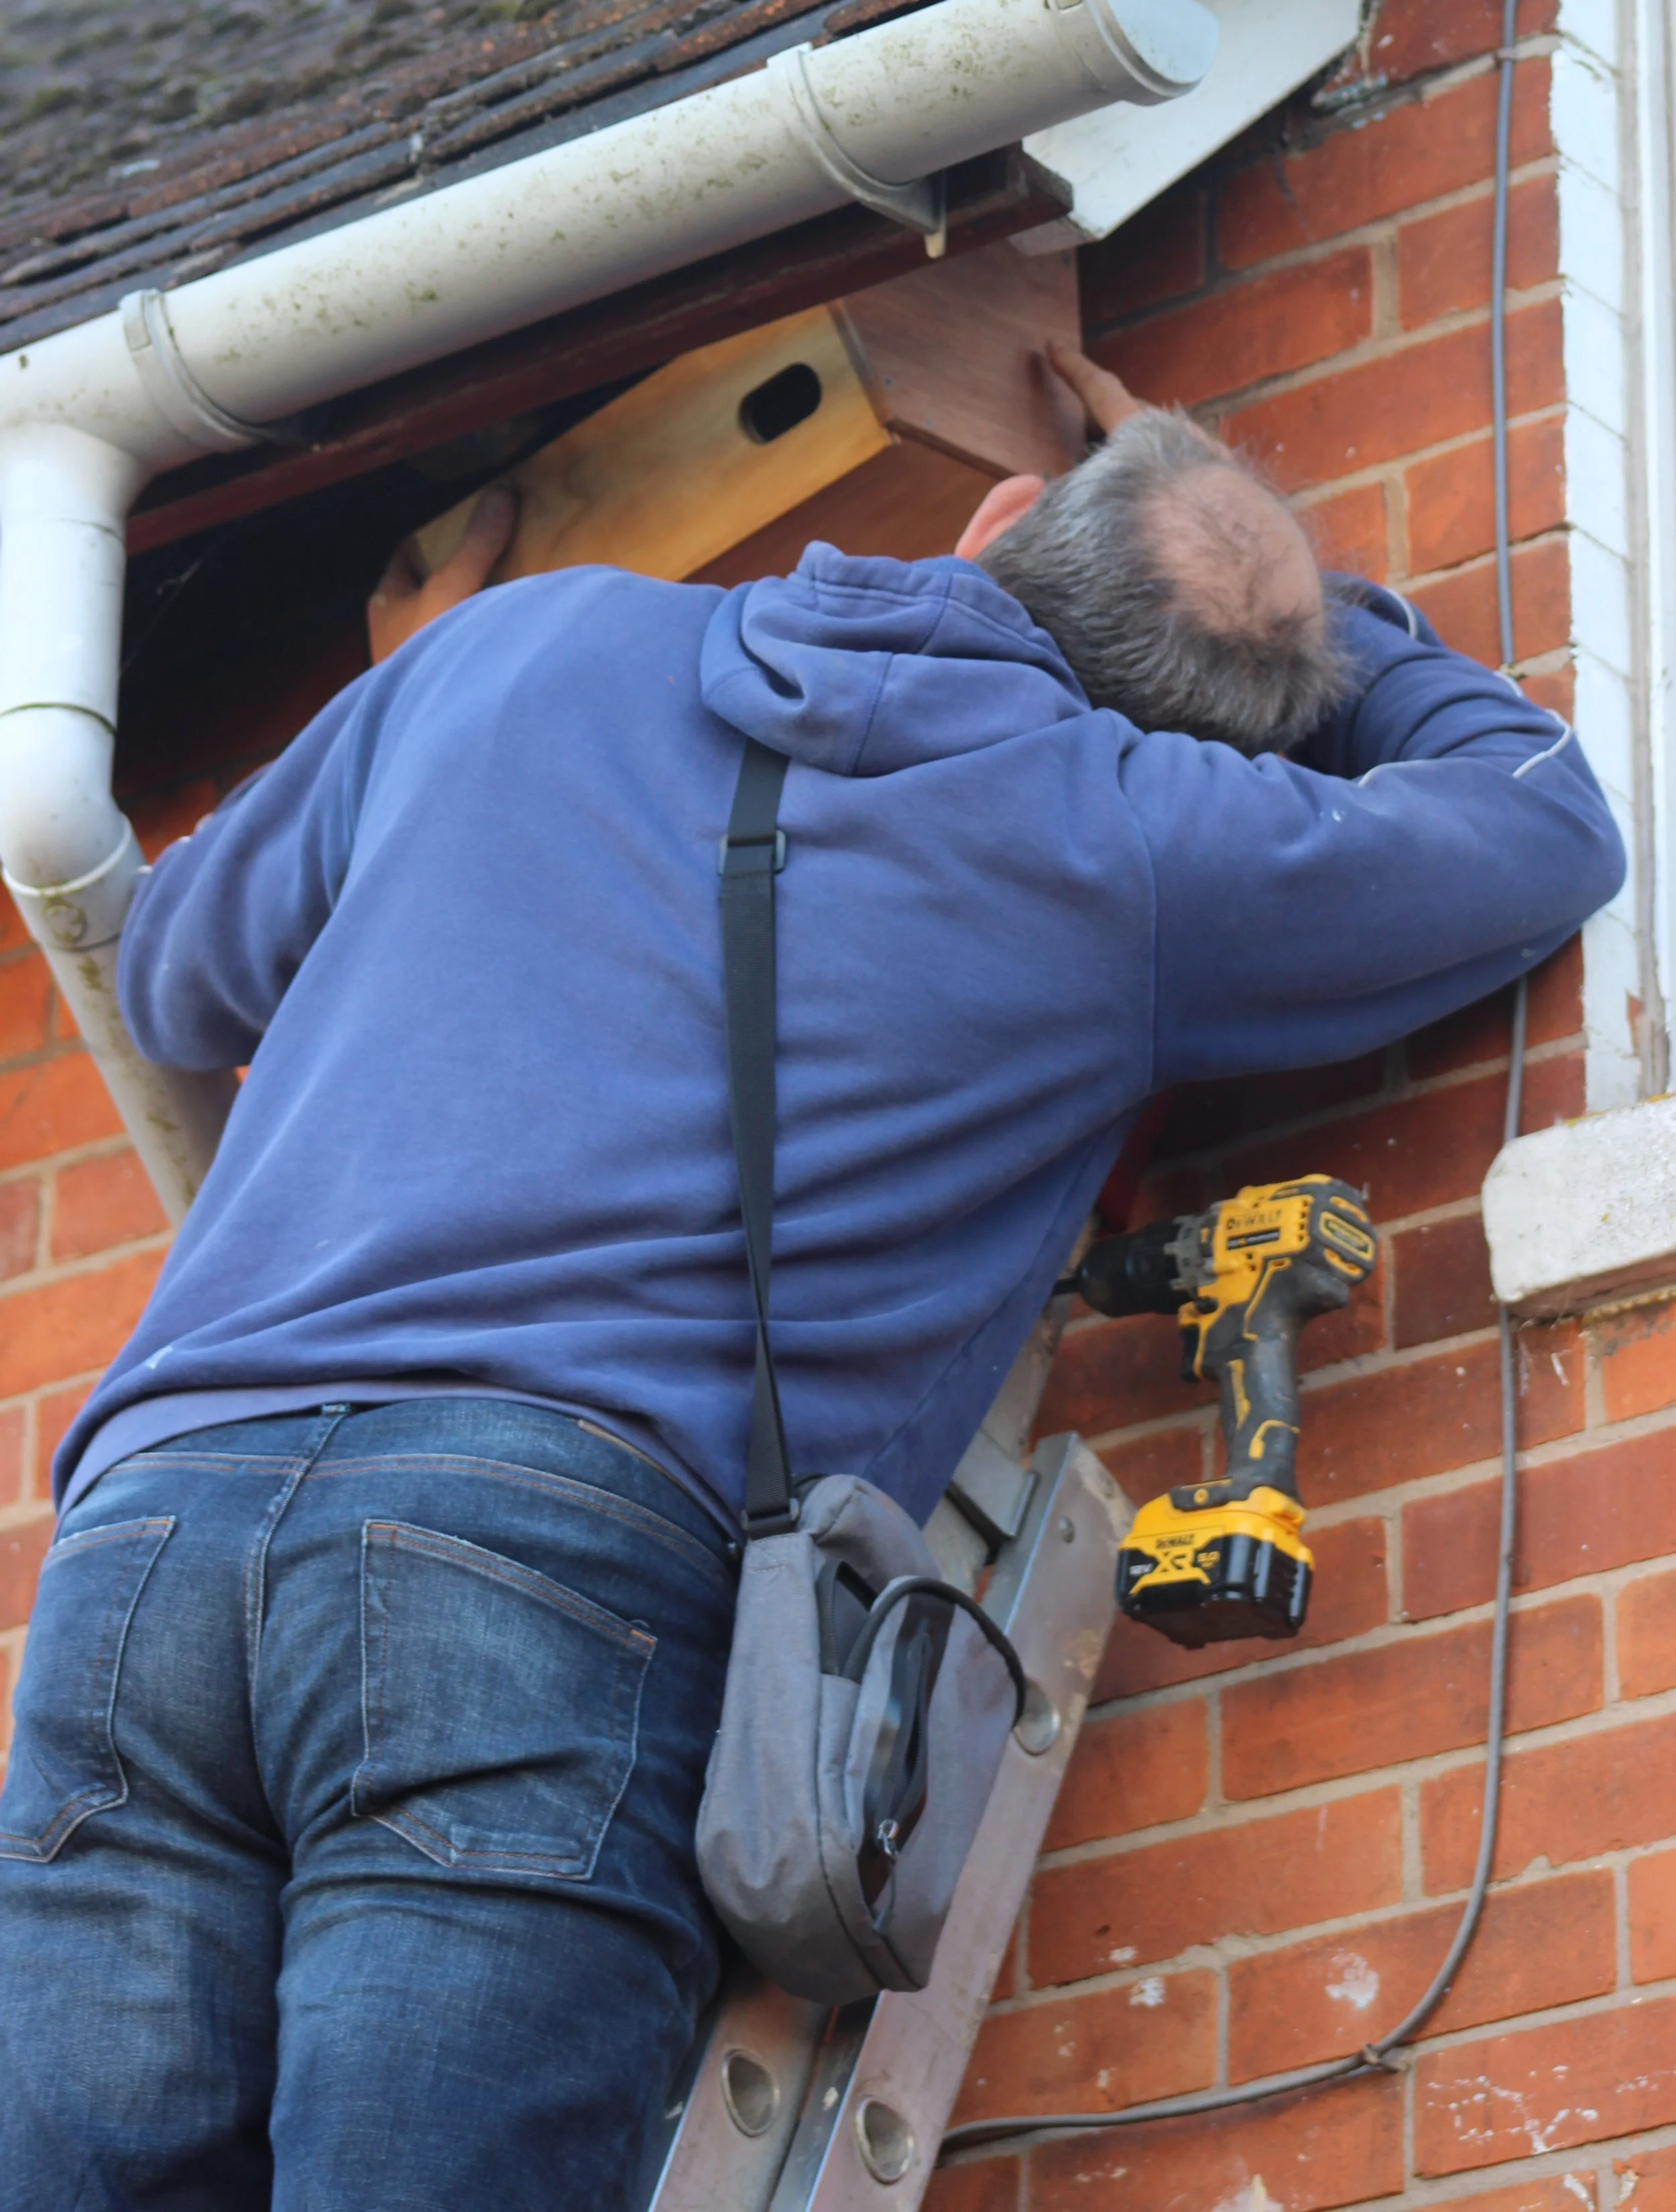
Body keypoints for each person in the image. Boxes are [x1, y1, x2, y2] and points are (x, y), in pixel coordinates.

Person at [0, 349, 1622, 2210]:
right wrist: (1301, 613)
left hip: (153, 1534)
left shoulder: (511, 650)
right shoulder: (1127, 833)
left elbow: (180, 973)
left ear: (1005, 521)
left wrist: (407, 751)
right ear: (1204, 731)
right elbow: (1536, 818)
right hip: (540, 1569)